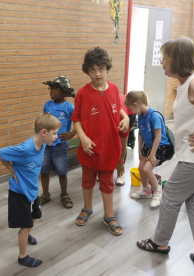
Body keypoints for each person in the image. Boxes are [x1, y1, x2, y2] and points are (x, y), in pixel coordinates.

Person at [135, 37, 194, 276]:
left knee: (170, 198)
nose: (162, 62)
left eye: (165, 58)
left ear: (177, 60)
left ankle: (160, 242)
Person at [72, 47, 129, 236]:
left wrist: (125, 117)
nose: (97, 74)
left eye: (101, 69)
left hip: (110, 146)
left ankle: (109, 215)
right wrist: (83, 137)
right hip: (89, 147)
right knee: (87, 180)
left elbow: (117, 107)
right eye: (93, 70)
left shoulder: (113, 88)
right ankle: (87, 208)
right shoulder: (82, 93)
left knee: (107, 181)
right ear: (87, 71)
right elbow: (76, 119)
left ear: (107, 69)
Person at [0, 113, 60, 268]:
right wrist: (12, 170)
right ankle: (22, 256)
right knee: (24, 227)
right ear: (44, 132)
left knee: (36, 215)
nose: (57, 137)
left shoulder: (43, 144)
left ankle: (26, 232)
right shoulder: (25, 149)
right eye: (55, 133)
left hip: (32, 190)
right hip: (19, 193)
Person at [125, 91, 172, 207]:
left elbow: (158, 137)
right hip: (148, 145)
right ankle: (146, 190)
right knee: (141, 168)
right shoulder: (140, 115)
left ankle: (157, 192)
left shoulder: (154, 116)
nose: (131, 112)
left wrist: (152, 155)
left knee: (147, 169)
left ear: (136, 105)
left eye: (131, 109)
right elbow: (140, 134)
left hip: (160, 146)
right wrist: (139, 150)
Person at [39, 76, 76, 209]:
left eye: (56, 89)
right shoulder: (47, 105)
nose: (52, 92)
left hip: (60, 145)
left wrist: (72, 133)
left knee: (61, 172)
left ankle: (64, 194)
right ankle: (45, 194)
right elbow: (44, 121)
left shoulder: (69, 107)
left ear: (65, 92)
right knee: (44, 170)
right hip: (46, 146)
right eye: (51, 89)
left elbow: (79, 121)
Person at [114, 93, 135, 186]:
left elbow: (123, 143)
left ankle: (121, 173)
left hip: (129, 113)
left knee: (120, 142)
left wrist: (120, 161)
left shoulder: (122, 118)